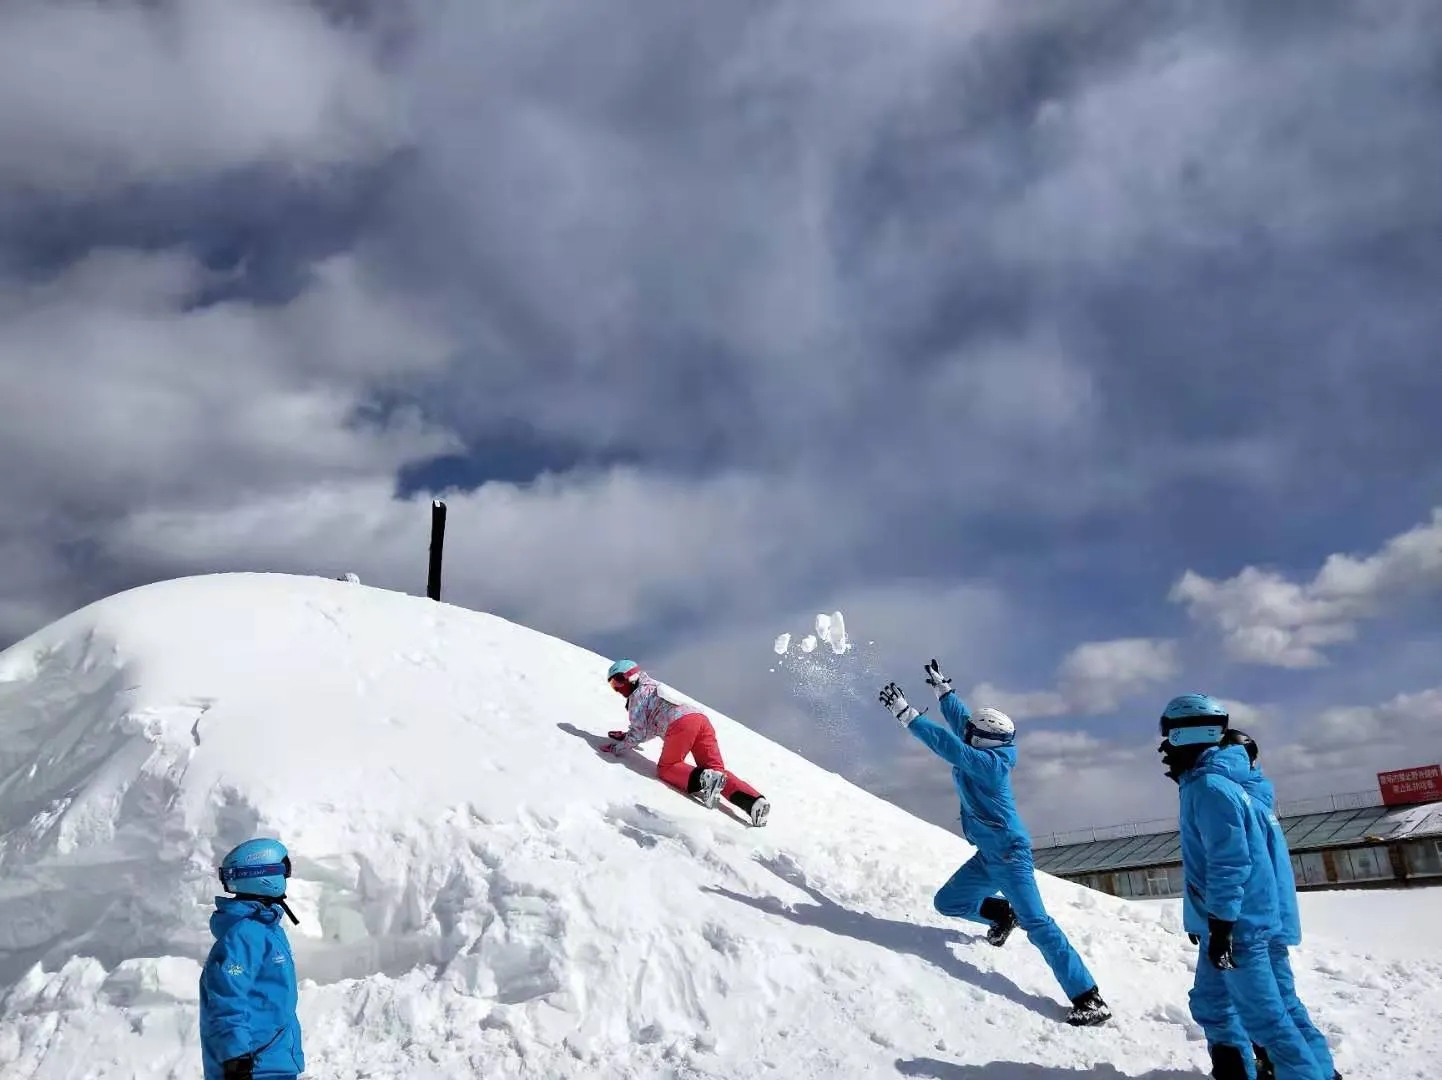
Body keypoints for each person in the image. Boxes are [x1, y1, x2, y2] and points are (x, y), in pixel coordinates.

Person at [877, 658, 1110, 1026]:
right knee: (949, 902)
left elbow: (950, 746)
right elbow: (962, 725)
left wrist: (909, 716)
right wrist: (945, 692)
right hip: (989, 854)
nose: (966, 731)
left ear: (982, 740)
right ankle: (1003, 913)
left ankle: (1089, 996)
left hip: (1010, 856)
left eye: (972, 731)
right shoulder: (987, 746)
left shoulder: (988, 764)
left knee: (1040, 924)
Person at [1157, 693, 1329, 1080]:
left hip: (1238, 928)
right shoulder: (1222, 789)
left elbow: (1230, 862)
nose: (1163, 746)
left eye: (1168, 735)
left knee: (1268, 1022)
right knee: (1215, 1004)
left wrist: (1221, 923)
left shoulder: (1210, 789)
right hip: (1234, 921)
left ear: (1189, 733)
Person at [1220, 730, 1341, 1080]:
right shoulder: (1260, 798)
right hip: (1274, 918)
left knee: (1267, 1011)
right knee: (1285, 1002)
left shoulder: (1239, 804)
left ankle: (1295, 1071)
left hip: (1252, 922)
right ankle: (1321, 1068)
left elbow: (1237, 866)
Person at [601, 658, 771, 827]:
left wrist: (618, 747)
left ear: (632, 676)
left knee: (667, 767)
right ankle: (754, 802)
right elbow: (649, 728)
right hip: (701, 721)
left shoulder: (638, 695)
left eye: (618, 681)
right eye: (613, 685)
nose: (618, 689)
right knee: (717, 772)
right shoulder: (653, 686)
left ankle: (705, 779)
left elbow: (640, 731)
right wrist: (625, 736)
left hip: (679, 723)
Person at [200, 838, 304, 1080]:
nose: (286, 876)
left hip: (274, 1062)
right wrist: (236, 1058)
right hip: (255, 1067)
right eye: (284, 869)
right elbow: (227, 998)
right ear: (264, 874)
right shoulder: (245, 935)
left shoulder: (268, 929)